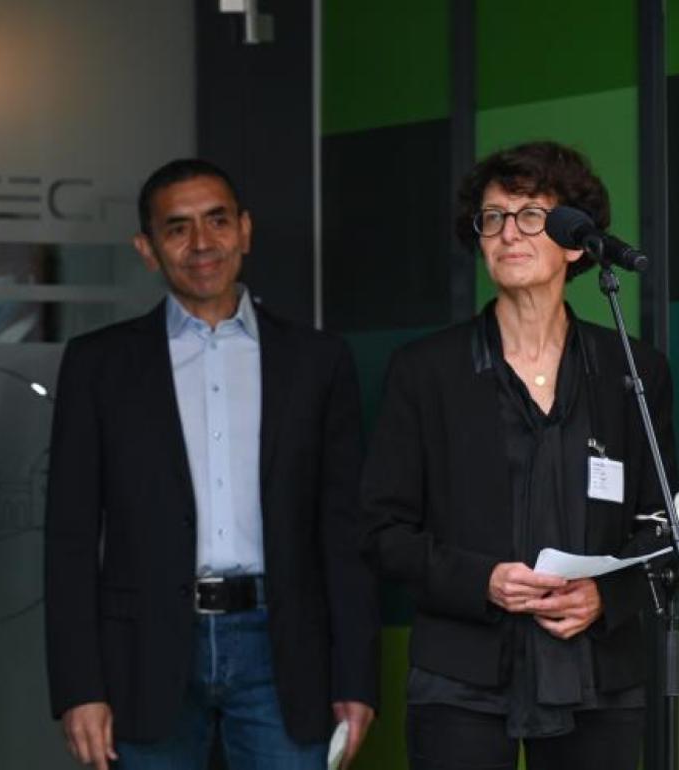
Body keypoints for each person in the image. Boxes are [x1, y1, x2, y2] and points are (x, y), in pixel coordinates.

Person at [44, 158, 380, 769]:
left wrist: (356, 677)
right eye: (177, 228)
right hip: (145, 654)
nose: (202, 243)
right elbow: (68, 539)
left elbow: (345, 532)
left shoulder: (317, 362)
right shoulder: (99, 365)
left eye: (217, 221)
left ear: (244, 231)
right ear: (147, 249)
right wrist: (78, 688)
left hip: (284, 654)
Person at [361, 140, 674, 770]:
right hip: (462, 678)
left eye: (532, 215)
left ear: (575, 242)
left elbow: (664, 522)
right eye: (493, 217)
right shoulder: (426, 372)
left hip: (600, 675)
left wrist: (606, 598)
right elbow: (380, 531)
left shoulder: (632, 370)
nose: (509, 233)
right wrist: (483, 581)